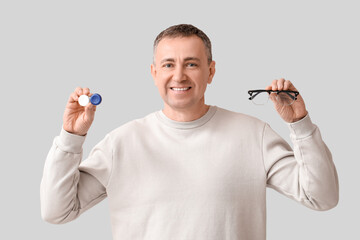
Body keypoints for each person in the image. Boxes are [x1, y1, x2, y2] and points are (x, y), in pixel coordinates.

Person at [40, 24, 339, 240]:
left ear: (210, 71)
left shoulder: (253, 135)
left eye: (191, 64)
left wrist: (300, 124)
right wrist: (71, 137)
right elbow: (56, 211)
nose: (179, 75)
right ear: (154, 73)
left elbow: (322, 196)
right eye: (168, 64)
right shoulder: (122, 143)